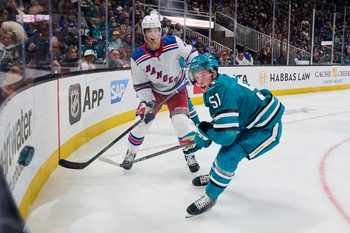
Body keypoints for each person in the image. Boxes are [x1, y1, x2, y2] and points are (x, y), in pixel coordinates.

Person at [184, 53, 285, 216]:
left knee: (228, 155)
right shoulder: (215, 86)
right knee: (225, 152)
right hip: (252, 123)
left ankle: (210, 198)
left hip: (266, 129)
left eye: (203, 74)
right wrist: (205, 134)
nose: (199, 80)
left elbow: (226, 137)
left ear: (213, 72)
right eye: (196, 75)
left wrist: (205, 132)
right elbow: (223, 124)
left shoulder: (219, 89)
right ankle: (213, 177)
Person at [121, 11, 200, 173]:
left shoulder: (174, 42)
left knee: (182, 123)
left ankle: (189, 155)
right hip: (155, 93)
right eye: (149, 31)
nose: (153, 34)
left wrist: (194, 71)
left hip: (177, 91)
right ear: (143, 33)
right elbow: (141, 84)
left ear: (160, 30)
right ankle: (131, 153)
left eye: (156, 30)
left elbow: (192, 53)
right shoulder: (137, 57)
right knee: (142, 123)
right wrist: (148, 103)